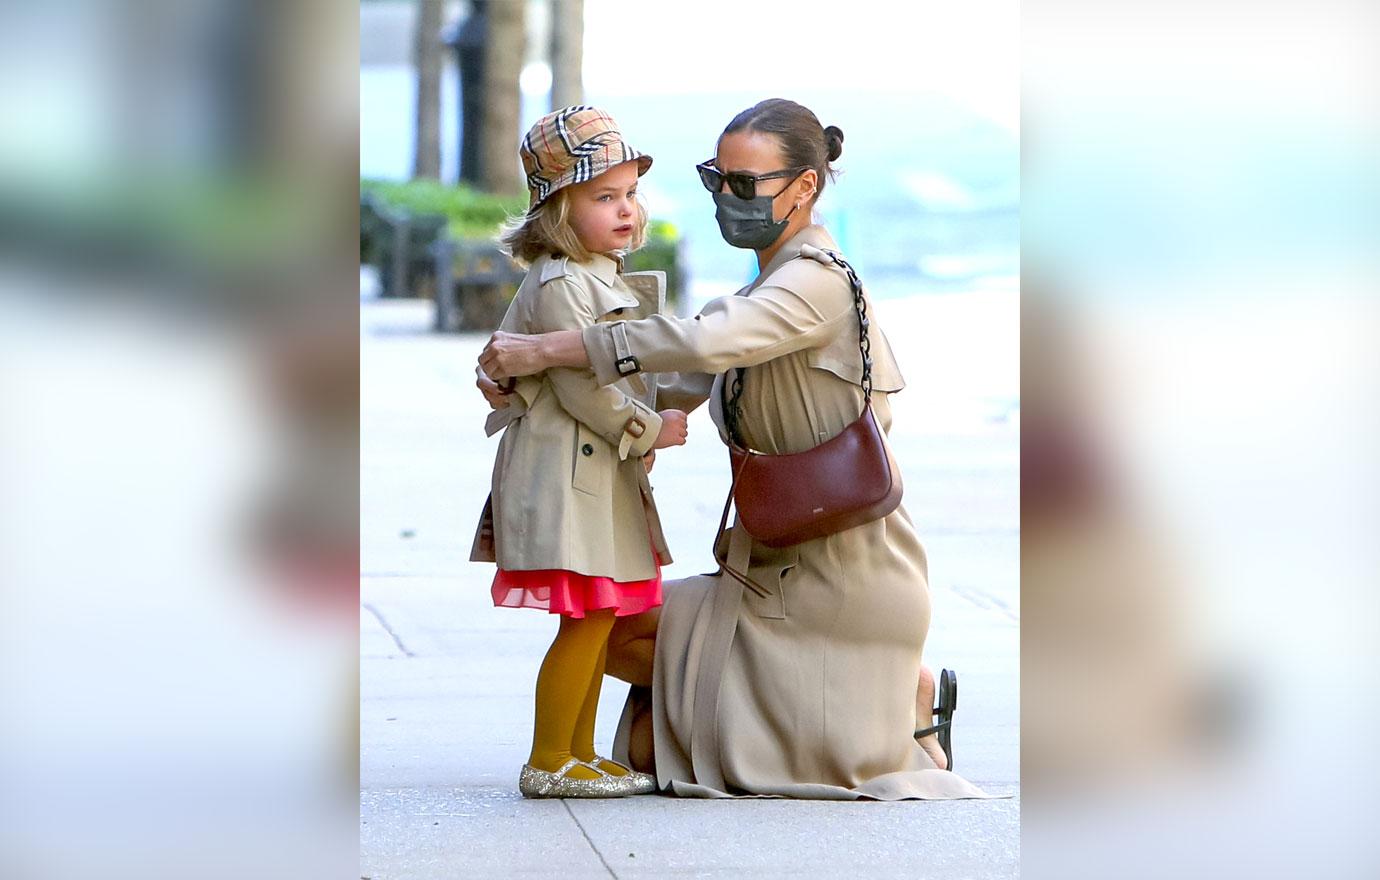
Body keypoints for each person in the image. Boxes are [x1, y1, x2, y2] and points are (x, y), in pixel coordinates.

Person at [478, 99, 991, 800]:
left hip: (838, 573)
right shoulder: (764, 286)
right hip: (766, 566)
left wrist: (550, 348)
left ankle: (896, 697)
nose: (728, 197)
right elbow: (676, 379)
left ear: (804, 188)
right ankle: (859, 701)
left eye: (747, 184)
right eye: (718, 179)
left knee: (634, 679)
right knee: (619, 642)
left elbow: (703, 341)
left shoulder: (814, 280)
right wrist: (521, 377)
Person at [471, 106, 690, 799]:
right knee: (588, 619)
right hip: (572, 476)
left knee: (593, 620)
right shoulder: (566, 281)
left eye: (630, 194)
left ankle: (578, 752)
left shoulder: (586, 273)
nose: (627, 210)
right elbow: (583, 387)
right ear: (558, 211)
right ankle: (548, 757)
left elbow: (503, 360)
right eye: (605, 197)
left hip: (586, 473)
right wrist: (654, 430)